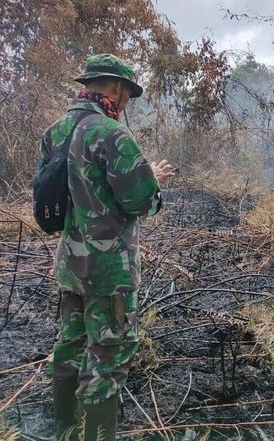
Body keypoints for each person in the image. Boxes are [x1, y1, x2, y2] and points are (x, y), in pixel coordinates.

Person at [42, 54, 174, 441]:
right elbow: (142, 202)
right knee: (109, 350)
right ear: (117, 88)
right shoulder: (112, 134)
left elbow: (59, 194)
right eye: (129, 93)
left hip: (69, 262)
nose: (127, 101)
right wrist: (152, 179)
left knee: (70, 340)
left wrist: (142, 174)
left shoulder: (56, 131)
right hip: (107, 269)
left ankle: (65, 428)